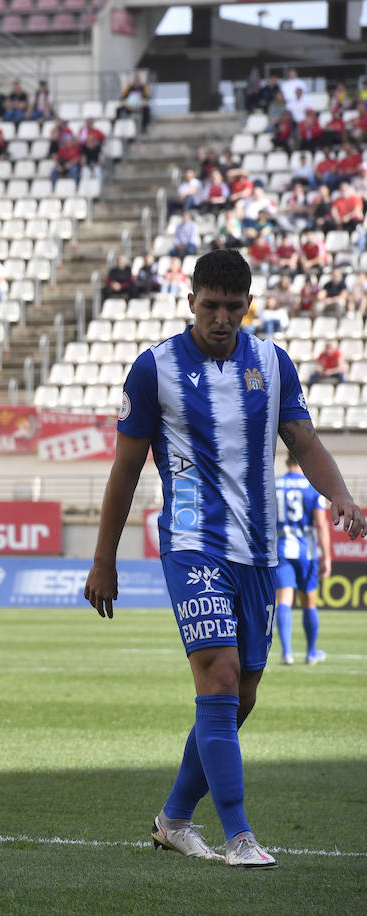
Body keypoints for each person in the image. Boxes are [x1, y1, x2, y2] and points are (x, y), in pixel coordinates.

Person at [84, 249, 366, 869]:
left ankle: (174, 819)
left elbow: (305, 441)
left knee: (241, 699)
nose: (220, 319)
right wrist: (103, 558)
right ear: (190, 301)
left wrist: (341, 493)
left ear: (247, 307)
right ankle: (239, 835)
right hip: (193, 545)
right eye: (209, 306)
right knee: (216, 678)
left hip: (259, 553)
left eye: (232, 309)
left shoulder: (272, 363)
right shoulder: (154, 368)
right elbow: (126, 468)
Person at [274, 455, 332, 666]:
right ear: (303, 462)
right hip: (306, 552)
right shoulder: (312, 487)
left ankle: (287, 653)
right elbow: (321, 525)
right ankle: (310, 652)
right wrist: (327, 556)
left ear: (287, 462)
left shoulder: (276, 485)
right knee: (309, 601)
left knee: (284, 599)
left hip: (281, 549)